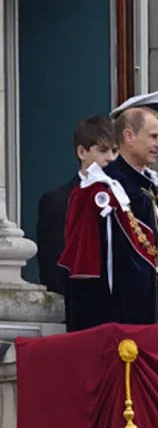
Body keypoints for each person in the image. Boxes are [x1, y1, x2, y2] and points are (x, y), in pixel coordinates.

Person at [58, 106, 158, 331]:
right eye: (153, 136)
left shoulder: (152, 188)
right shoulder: (98, 191)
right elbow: (85, 277)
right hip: (118, 329)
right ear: (129, 136)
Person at [33, 116, 118, 295]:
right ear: (82, 152)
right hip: (82, 308)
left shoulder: (124, 197)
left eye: (115, 151)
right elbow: (53, 268)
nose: (111, 158)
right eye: (103, 150)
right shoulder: (57, 201)